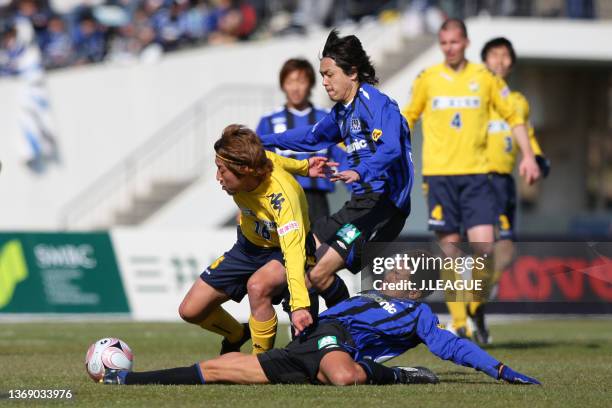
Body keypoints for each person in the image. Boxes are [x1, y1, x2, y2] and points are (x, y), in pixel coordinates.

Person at [101, 252, 540, 386]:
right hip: (318, 339)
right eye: (394, 269)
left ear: (418, 288)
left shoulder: (418, 312)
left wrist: (498, 369)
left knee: (343, 376)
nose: (396, 273)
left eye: (405, 273)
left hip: (336, 346)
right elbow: (320, 293)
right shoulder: (363, 296)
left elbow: (451, 346)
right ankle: (130, 380)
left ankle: (393, 375)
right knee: (220, 369)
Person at [401, 19, 540, 339]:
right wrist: (391, 153)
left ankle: (473, 306)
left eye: (455, 42)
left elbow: (513, 117)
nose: (450, 48)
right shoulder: (428, 79)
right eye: (444, 43)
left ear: (465, 42)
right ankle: (460, 320)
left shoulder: (484, 78)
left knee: (486, 248)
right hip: (439, 177)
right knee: (450, 249)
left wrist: (529, 156)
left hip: (477, 176)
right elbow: (408, 116)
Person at [260, 29, 414, 310]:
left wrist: (362, 170)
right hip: (360, 204)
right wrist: (262, 141)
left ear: (352, 73)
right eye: (322, 75)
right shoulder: (343, 111)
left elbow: (391, 148)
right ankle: (332, 337)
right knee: (303, 254)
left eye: (329, 74)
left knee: (314, 275)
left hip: (384, 207)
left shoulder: (376, 103)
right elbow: (311, 137)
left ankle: (336, 338)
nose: (324, 82)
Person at [178, 124, 330, 355]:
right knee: (190, 310)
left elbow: (293, 249)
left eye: (222, 170)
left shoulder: (283, 197)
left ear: (246, 170)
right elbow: (274, 158)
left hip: (284, 250)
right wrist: (304, 166)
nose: (217, 177)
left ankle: (260, 364)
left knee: (257, 287)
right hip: (248, 248)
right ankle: (237, 334)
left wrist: (300, 306)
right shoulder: (255, 163)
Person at [469, 37, 550, 344]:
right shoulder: (476, 95)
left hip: (504, 182)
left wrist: (537, 159)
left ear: (511, 63)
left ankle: (476, 307)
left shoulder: (518, 101)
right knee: (482, 248)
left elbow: (525, 135)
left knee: (505, 252)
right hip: (477, 179)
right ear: (485, 60)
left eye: (505, 56)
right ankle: (467, 315)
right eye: (494, 55)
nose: (500, 61)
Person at [256, 58, 345, 224]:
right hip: (281, 197)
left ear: (310, 84)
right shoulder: (269, 120)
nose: (296, 88)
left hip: (316, 198)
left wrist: (360, 190)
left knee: (320, 247)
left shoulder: (327, 118)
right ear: (283, 85)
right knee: (286, 248)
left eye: (301, 81)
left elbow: (344, 157)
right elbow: (255, 161)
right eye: (290, 82)